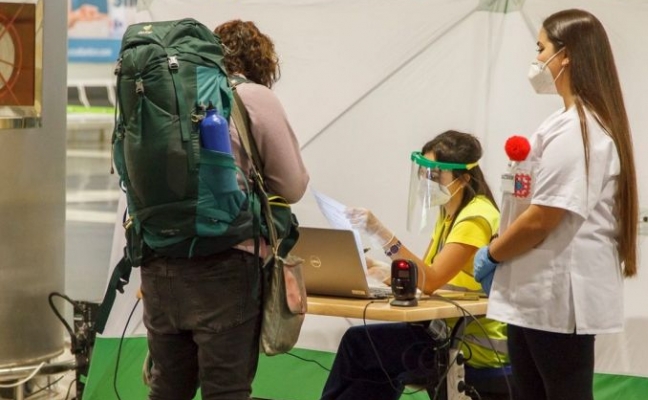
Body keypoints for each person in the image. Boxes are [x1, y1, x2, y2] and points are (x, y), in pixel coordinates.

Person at [473, 9, 638, 400]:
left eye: (541, 47)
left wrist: (493, 254)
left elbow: (543, 218)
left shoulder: (580, 130)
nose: (536, 59)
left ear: (565, 56)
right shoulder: (561, 124)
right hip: (534, 295)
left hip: (557, 298)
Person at [141, 20, 309, 400]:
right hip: (226, 267)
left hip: (158, 262)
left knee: (168, 389)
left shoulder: (160, 96)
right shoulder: (251, 96)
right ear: (263, 63)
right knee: (226, 391)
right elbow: (292, 186)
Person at [321, 130, 509, 400]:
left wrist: (381, 233)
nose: (427, 181)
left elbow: (430, 280)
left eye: (435, 174)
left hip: (470, 343)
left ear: (463, 178)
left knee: (360, 346)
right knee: (364, 351)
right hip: (444, 332)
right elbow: (428, 277)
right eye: (424, 172)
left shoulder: (475, 217)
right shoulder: (450, 215)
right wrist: (384, 272)